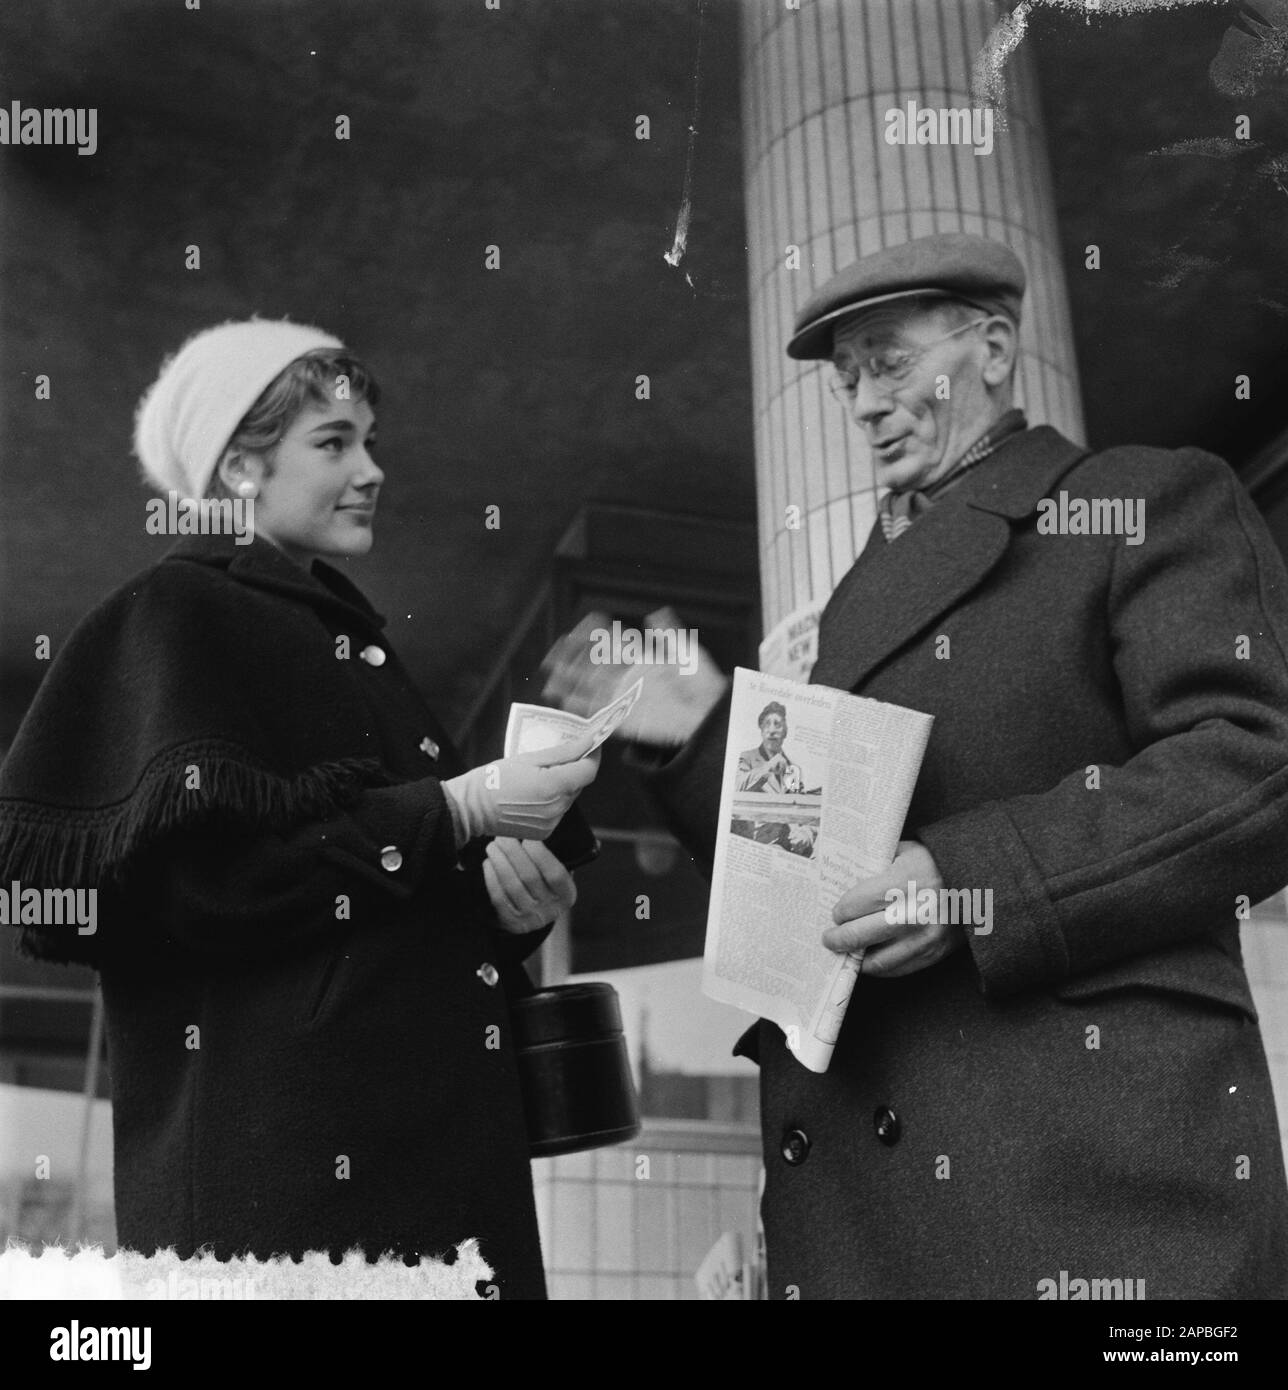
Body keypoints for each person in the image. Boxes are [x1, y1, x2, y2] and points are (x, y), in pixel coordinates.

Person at [542, 233, 1288, 1299]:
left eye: (888, 361)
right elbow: (820, 880)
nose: (863, 401)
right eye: (848, 380)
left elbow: (1257, 762)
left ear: (991, 346)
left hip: (1089, 1185)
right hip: (872, 1196)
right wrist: (703, 731)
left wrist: (970, 877)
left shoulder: (1140, 499)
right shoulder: (854, 601)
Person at [0, 319, 600, 1298]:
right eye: (333, 442)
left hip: (417, 1184)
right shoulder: (175, 616)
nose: (371, 470)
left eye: (370, 441)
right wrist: (455, 808)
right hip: (291, 1207)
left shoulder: (349, 645)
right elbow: (205, 892)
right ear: (240, 466)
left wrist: (508, 908)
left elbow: (365, 909)